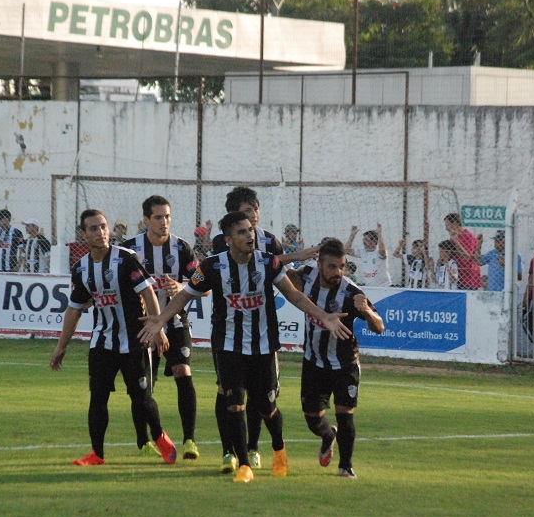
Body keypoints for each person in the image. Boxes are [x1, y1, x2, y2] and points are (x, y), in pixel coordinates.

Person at [139, 211, 352, 483]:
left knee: (267, 407)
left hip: (263, 347)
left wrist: (323, 316)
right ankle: (243, 465)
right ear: (228, 239)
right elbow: (184, 295)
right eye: (242, 231)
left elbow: (294, 295)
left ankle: (278, 447)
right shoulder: (213, 267)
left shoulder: (268, 263)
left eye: (250, 229)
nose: (250, 234)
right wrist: (161, 319)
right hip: (228, 347)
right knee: (234, 404)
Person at [49, 209, 177, 466]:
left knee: (140, 397)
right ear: (83, 234)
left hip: (134, 340)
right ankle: (96, 453)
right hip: (102, 341)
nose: (101, 232)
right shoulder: (81, 268)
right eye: (94, 228)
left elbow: (148, 293)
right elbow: (74, 308)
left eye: (104, 227)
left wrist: (157, 328)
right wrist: (61, 346)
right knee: (98, 397)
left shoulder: (126, 259)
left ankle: (160, 436)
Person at [209, 186, 318, 473]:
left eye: (255, 210)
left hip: (262, 336)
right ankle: (230, 452)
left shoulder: (270, 242)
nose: (253, 217)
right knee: (229, 394)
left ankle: (255, 446)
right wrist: (299, 255)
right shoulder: (222, 243)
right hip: (228, 334)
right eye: (246, 212)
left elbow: (283, 277)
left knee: (262, 397)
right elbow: (218, 272)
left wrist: (304, 279)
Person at [292, 238, 384, 479]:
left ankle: (346, 466)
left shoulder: (352, 293)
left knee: (345, 415)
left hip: (345, 365)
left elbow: (379, 327)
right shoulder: (306, 276)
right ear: (319, 264)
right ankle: (327, 435)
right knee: (313, 418)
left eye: (342, 266)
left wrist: (365, 312)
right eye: (332, 266)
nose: (338, 272)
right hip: (314, 362)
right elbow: (279, 278)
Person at [122, 195, 201, 461]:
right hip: (145, 326)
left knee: (183, 371)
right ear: (146, 220)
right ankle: (143, 440)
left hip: (176, 322)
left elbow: (204, 283)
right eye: (158, 217)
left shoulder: (182, 248)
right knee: (143, 386)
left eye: (167, 216)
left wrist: (182, 288)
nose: (164, 222)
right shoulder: (129, 250)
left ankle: (189, 440)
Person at [443, 213, 481, 290]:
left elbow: (467, 257)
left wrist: (456, 242)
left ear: (455, 224)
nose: (446, 228)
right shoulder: (454, 236)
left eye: (447, 225)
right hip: (458, 276)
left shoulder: (468, 236)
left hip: (469, 278)